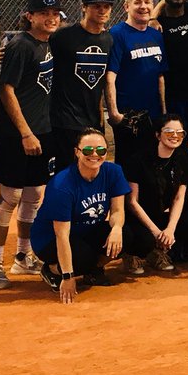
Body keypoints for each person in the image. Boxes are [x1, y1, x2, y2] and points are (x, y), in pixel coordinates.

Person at [0, 0, 61, 289]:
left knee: (34, 197)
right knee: (10, 198)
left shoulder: (47, 42)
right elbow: (6, 90)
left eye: (55, 12)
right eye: (44, 12)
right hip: (17, 135)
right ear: (29, 15)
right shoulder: (20, 45)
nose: (51, 17)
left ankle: (23, 256)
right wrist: (25, 132)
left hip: (43, 131)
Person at [32, 129, 129, 303]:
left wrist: (116, 228)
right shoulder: (62, 185)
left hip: (85, 230)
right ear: (77, 152)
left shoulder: (113, 172)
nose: (94, 155)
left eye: (100, 150)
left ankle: (93, 270)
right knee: (83, 257)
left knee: (128, 234)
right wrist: (68, 277)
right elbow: (61, 235)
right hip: (49, 238)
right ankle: (53, 269)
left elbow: (117, 211)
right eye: (87, 150)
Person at [119, 114, 188, 274]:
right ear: (158, 135)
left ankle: (156, 253)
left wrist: (170, 229)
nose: (175, 136)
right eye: (169, 132)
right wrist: (156, 232)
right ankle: (132, 254)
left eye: (180, 133)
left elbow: (179, 197)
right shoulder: (138, 160)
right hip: (139, 216)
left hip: (163, 212)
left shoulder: (183, 158)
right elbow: (132, 202)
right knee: (143, 239)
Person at [48, 0, 114, 172]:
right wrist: (7, 52)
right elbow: (37, 49)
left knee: (92, 172)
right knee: (65, 173)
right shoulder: (63, 36)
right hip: (65, 120)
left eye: (106, 6)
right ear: (84, 7)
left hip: (92, 120)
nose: (102, 10)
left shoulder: (108, 40)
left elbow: (103, 82)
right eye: (96, 6)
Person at [106, 0, 167, 164]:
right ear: (127, 7)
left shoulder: (155, 35)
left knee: (151, 164)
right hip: (129, 116)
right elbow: (110, 76)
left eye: (147, 2)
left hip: (153, 114)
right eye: (137, 2)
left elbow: (160, 76)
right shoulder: (117, 34)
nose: (143, 6)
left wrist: (163, 111)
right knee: (129, 166)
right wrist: (114, 113)